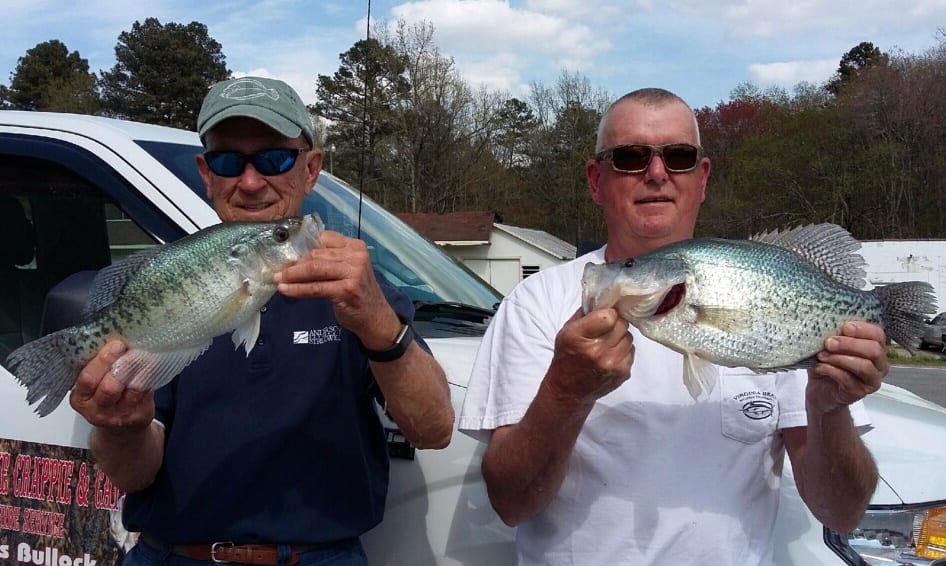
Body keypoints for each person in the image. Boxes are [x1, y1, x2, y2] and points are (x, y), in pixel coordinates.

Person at [458, 88, 886, 565]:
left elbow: (842, 514)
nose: (656, 173)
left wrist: (828, 409)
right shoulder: (536, 305)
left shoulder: (767, 294)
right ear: (596, 180)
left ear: (701, 178)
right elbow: (511, 503)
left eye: (679, 157)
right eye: (630, 157)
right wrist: (565, 392)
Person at [68, 76, 454, 566]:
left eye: (274, 158)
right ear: (206, 174)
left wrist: (380, 324)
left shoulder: (361, 290)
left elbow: (433, 429)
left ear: (311, 168)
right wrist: (121, 428)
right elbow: (133, 475)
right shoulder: (170, 279)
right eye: (230, 161)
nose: (250, 182)